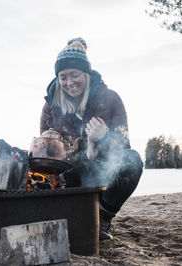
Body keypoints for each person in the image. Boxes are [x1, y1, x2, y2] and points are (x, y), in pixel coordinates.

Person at [40, 38, 143, 240]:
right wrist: (57, 145)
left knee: (132, 160)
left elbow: (123, 144)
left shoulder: (110, 98)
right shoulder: (51, 105)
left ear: (86, 74)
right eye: (63, 77)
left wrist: (103, 138)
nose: (69, 82)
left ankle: (102, 217)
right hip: (69, 172)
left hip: (101, 170)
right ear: (58, 78)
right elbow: (44, 152)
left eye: (75, 75)